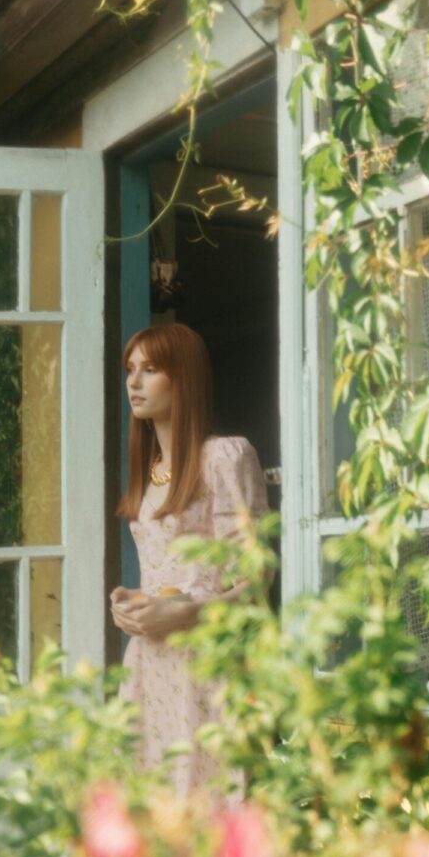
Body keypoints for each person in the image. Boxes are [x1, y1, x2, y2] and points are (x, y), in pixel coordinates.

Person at [111, 323, 268, 797]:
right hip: (149, 664)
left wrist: (187, 612)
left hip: (206, 662)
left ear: (183, 379)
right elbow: (167, 574)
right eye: (130, 370)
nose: (134, 383)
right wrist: (134, 604)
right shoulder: (149, 471)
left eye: (151, 370)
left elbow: (255, 584)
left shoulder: (223, 457)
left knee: (209, 805)